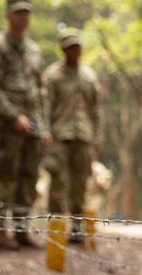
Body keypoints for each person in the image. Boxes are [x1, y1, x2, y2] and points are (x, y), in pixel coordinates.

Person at [0, 0, 51, 250]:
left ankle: (21, 231)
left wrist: (43, 128)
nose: (23, 17)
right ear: (8, 15)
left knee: (28, 179)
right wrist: (13, 117)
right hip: (7, 127)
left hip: (32, 128)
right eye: (18, 12)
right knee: (3, 178)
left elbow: (39, 93)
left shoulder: (34, 50)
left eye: (26, 13)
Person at [41, 30, 102, 245]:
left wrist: (98, 138)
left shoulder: (90, 76)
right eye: (70, 47)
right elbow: (45, 107)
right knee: (58, 184)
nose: (75, 51)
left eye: (77, 46)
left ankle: (76, 230)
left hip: (83, 138)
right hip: (59, 137)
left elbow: (96, 110)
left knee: (80, 186)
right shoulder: (53, 75)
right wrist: (45, 132)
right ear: (63, 50)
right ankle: (55, 230)